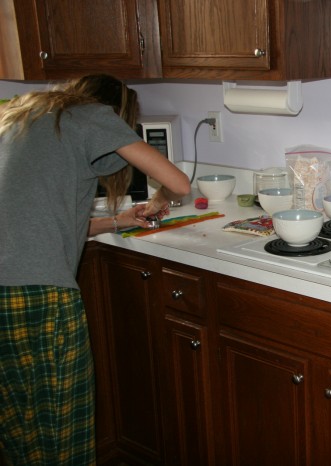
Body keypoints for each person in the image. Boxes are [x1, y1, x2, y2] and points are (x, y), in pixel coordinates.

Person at [0, 74, 191, 465]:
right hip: (35, 295)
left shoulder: (17, 114)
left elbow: (42, 221)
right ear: (118, 113)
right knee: (60, 428)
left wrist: (120, 221)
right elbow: (179, 183)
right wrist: (158, 197)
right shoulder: (93, 115)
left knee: (17, 426)